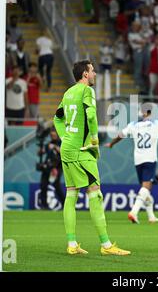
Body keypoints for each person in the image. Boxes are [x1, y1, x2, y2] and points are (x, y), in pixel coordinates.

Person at [53, 60, 130, 256]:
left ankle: (72, 244)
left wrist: (64, 137)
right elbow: (91, 116)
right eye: (92, 71)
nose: (94, 74)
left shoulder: (68, 93)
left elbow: (57, 118)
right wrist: (95, 140)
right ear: (85, 74)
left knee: (71, 194)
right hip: (81, 149)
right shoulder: (86, 91)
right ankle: (106, 246)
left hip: (67, 148)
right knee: (95, 193)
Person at [38, 129, 65, 210]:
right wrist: (41, 149)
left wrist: (55, 147)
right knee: (43, 185)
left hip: (57, 167)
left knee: (56, 186)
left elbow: (63, 152)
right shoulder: (49, 143)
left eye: (54, 135)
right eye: (51, 135)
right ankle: (44, 206)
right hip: (47, 167)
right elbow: (42, 152)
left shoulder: (61, 142)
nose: (52, 136)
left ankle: (65, 204)